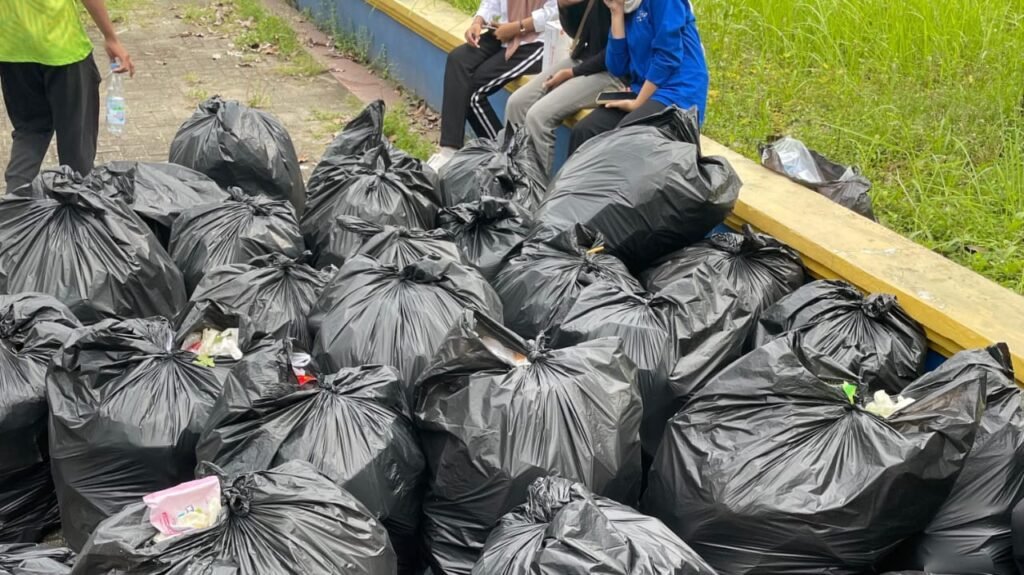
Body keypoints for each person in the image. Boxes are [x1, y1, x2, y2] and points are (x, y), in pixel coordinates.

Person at [0, 0, 135, 192]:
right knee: (76, 139)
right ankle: (78, 208)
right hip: (63, 47)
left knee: (30, 131)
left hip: (12, 49)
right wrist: (111, 37)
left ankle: (14, 205)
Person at [428, 0, 556, 171]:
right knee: (457, 59)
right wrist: (478, 22)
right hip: (502, 32)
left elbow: (555, 12)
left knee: (474, 93)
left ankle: (504, 159)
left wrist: (516, 27)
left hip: (538, 41)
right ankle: (449, 151)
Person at [567, 0, 707, 154]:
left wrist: (638, 103)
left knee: (623, 139)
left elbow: (668, 57)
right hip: (644, 90)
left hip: (679, 91)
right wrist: (616, 12)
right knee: (585, 131)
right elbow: (617, 66)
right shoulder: (626, 6)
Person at [504, 0, 619, 174]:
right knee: (516, 103)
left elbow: (618, 53)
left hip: (613, 72)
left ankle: (534, 195)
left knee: (538, 117)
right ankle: (511, 182)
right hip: (584, 58)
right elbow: (576, 32)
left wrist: (572, 72)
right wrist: (564, 6)